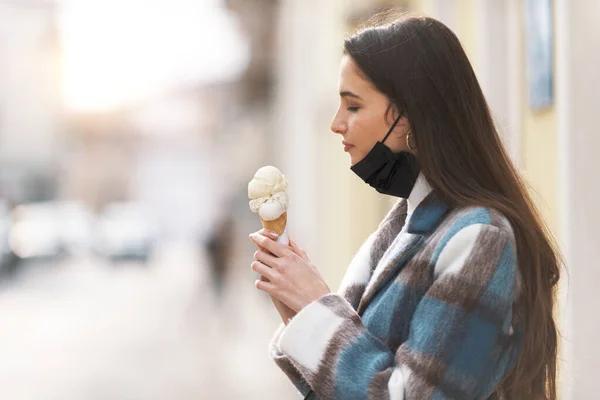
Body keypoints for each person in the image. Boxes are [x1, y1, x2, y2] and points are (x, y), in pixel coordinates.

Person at [248, 14, 560, 400]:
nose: (335, 123)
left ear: (409, 113)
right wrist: (297, 310)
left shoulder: (481, 238)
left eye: (354, 106)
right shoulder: (401, 225)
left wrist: (317, 307)